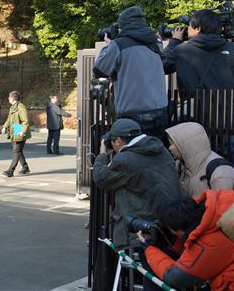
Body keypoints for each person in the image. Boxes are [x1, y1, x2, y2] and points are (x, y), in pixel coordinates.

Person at [92, 119, 181, 251]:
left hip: (141, 230)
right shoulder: (160, 150)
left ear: (118, 141)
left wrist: (103, 154)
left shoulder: (126, 160)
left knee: (140, 266)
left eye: (113, 141)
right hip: (166, 223)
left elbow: (101, 178)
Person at [94, 6, 169, 137]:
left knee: (132, 154)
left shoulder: (119, 44)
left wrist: (109, 46)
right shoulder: (156, 42)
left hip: (132, 114)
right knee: (154, 152)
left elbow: (100, 71)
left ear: (123, 26)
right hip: (160, 111)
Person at [139, 191, 234, 290]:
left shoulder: (206, 244)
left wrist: (149, 248)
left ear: (179, 230)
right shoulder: (223, 199)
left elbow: (174, 277)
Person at [162, 9, 234, 91]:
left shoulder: (181, 51)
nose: (187, 29)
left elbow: (163, 67)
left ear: (198, 29)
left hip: (194, 103)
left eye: (189, 26)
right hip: (226, 103)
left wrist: (174, 42)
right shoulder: (231, 48)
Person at [165, 122, 234, 197]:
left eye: (172, 144)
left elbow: (224, 207)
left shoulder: (220, 173)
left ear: (187, 145)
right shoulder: (180, 165)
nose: (169, 148)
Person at [1, 91, 30, 177]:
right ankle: (25, 167)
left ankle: (10, 171)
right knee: (18, 150)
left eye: (9, 97)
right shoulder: (12, 107)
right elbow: (9, 119)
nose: (8, 99)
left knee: (16, 151)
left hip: (19, 129)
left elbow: (25, 121)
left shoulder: (21, 107)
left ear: (13, 98)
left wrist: (22, 131)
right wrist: (4, 127)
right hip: (15, 129)